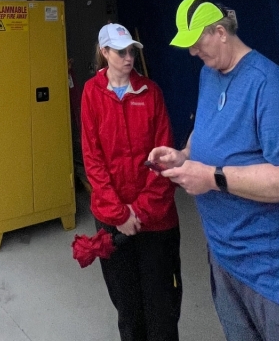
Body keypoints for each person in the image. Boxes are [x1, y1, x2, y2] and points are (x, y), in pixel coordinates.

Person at [150, 0, 279, 341]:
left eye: (197, 42)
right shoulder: (209, 74)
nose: (194, 52)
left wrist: (211, 178)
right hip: (227, 259)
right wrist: (183, 155)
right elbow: (208, 130)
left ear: (220, 32)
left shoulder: (269, 86)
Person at [81, 23, 182, 341]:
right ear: (104, 52)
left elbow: (164, 161)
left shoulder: (151, 93)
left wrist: (139, 212)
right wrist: (120, 214)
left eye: (132, 51)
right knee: (128, 308)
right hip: (112, 222)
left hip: (156, 222)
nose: (129, 58)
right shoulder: (91, 94)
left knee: (162, 308)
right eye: (121, 51)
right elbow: (93, 160)